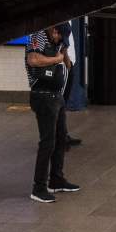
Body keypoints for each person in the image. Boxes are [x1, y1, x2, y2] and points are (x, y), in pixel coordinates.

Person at [25, 24, 81, 203]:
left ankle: (56, 179)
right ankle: (38, 187)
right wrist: (56, 59)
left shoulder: (58, 42)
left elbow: (67, 63)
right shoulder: (38, 37)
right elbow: (33, 60)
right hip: (42, 96)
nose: (59, 42)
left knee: (61, 138)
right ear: (54, 30)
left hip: (57, 96)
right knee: (47, 142)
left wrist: (64, 55)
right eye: (59, 38)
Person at [58, 21, 84, 147]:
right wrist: (66, 61)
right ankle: (59, 138)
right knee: (59, 104)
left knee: (63, 104)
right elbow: (60, 41)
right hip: (63, 65)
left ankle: (63, 134)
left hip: (69, 63)